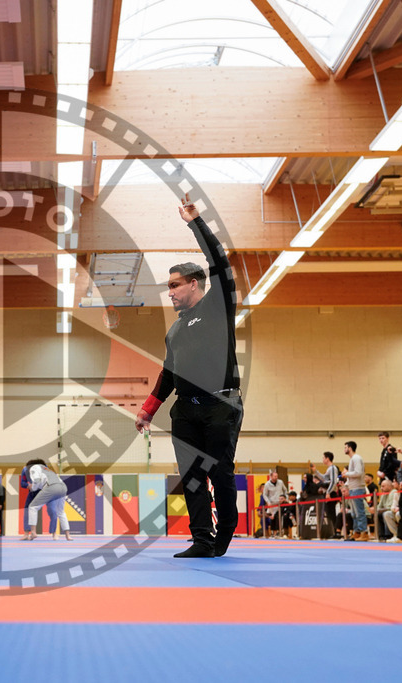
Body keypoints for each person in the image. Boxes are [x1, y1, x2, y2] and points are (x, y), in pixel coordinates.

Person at [134, 193, 242, 559]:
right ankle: (201, 539)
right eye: (168, 287)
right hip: (186, 411)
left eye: (175, 285)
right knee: (193, 477)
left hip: (221, 405)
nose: (170, 293)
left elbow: (219, 262)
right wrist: (149, 408)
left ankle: (225, 532)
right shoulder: (176, 330)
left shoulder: (216, 307)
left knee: (220, 474)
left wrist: (194, 222)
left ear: (194, 284)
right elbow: (169, 372)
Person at [23, 459, 71, 541]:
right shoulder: (47, 469)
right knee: (61, 511)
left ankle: (33, 532)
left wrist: (32, 488)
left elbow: (37, 480)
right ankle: (68, 535)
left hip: (51, 487)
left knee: (32, 507)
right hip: (63, 487)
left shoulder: (33, 468)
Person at [310, 452, 341, 538]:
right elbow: (324, 479)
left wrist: (328, 492)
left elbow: (333, 481)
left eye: (323, 458)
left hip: (331, 493)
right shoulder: (329, 469)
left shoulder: (333, 468)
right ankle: (334, 532)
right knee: (330, 513)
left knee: (332, 512)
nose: (322, 459)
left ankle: (336, 532)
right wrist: (315, 471)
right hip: (329, 493)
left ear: (327, 458)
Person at [343, 441, 368, 541]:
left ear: (350, 448)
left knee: (359, 512)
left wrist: (346, 474)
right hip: (353, 488)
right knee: (353, 513)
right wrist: (346, 485)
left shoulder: (356, 458)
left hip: (358, 488)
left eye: (345, 447)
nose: (344, 449)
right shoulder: (352, 459)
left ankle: (364, 532)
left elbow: (358, 473)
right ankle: (357, 532)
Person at [262, 471, 287, 538]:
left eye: (277, 476)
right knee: (272, 518)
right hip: (272, 504)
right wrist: (268, 502)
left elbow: (285, 490)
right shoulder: (267, 484)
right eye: (274, 476)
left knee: (279, 517)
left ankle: (279, 532)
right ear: (271, 476)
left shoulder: (280, 482)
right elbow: (264, 494)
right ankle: (273, 533)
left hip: (280, 503)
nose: (276, 477)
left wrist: (285, 498)